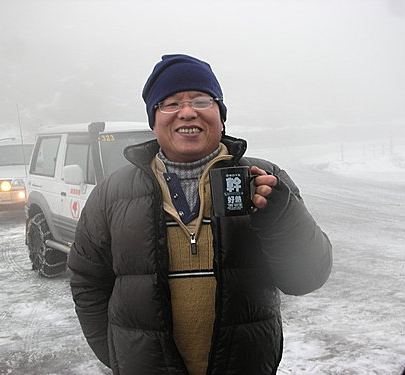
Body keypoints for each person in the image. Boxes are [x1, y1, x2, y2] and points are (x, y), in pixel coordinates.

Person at [68, 54, 333, 375]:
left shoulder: (263, 178)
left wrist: (280, 217)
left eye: (201, 100)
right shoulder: (113, 192)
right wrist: (117, 353)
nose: (187, 111)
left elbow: (307, 277)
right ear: (154, 120)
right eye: (170, 103)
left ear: (221, 115)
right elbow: (88, 281)